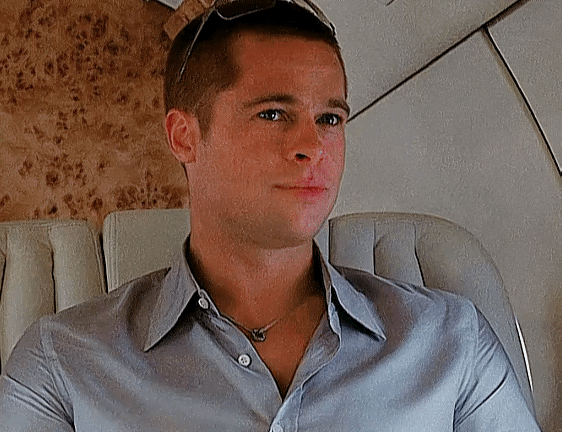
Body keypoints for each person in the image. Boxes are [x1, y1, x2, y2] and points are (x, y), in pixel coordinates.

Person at [0, 1, 542, 430]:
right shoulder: (64, 366)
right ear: (185, 136)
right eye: (274, 113)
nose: (312, 146)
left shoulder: (451, 342)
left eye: (330, 118)